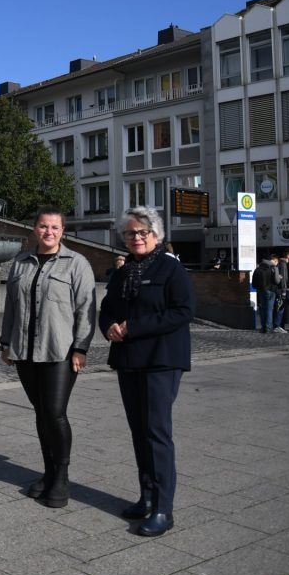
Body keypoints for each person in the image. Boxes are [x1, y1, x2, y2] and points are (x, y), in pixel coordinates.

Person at [99, 206, 194, 538]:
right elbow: (107, 308)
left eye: (143, 233)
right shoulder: (124, 272)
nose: (137, 238)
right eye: (130, 233)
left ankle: (164, 509)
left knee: (156, 432)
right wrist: (108, 326)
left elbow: (183, 312)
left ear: (156, 235)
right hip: (128, 359)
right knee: (139, 431)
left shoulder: (171, 269)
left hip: (161, 359)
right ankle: (147, 495)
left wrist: (133, 327)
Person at [0, 207, 96, 508]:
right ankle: (49, 472)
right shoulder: (20, 263)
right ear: (34, 229)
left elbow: (86, 309)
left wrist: (81, 347)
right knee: (41, 413)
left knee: (55, 412)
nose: (48, 232)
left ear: (62, 231)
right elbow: (11, 307)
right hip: (25, 351)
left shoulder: (76, 264)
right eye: (43, 226)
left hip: (60, 351)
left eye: (55, 227)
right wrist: (6, 342)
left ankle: (62, 477)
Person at [252, 255, 280, 333]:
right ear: (273, 260)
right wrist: (279, 277)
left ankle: (263, 327)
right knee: (269, 309)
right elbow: (277, 281)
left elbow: (254, 280)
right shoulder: (273, 268)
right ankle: (268, 328)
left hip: (261, 290)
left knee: (263, 309)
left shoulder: (258, 268)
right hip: (271, 291)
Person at [272, 249, 289, 334]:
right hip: (281, 290)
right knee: (281, 307)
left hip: (282, 289)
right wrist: (284, 290)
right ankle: (277, 326)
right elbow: (283, 279)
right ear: (288, 255)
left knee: (281, 306)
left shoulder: (283, 264)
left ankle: (278, 325)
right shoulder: (282, 264)